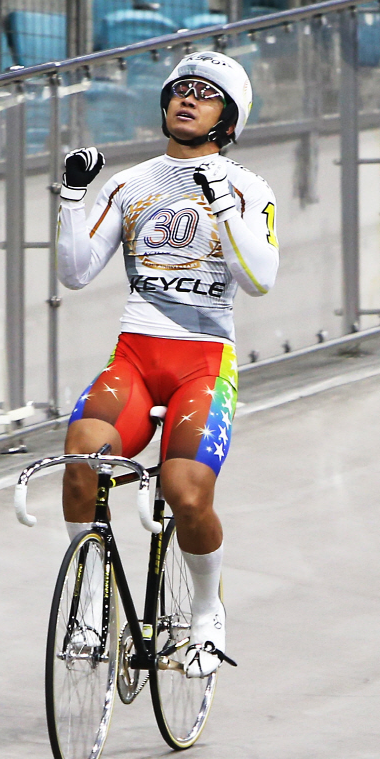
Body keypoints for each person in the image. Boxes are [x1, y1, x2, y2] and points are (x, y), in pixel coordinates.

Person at [55, 50, 279, 679]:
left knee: (185, 491)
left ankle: (206, 614)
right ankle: (94, 603)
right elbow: (75, 274)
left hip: (203, 365)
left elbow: (259, 279)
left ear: (229, 119)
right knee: (80, 459)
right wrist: (73, 198)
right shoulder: (130, 184)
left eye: (207, 94)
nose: (188, 98)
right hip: (137, 353)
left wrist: (223, 206)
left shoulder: (248, 188)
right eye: (181, 89)